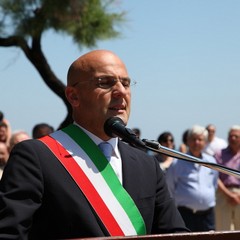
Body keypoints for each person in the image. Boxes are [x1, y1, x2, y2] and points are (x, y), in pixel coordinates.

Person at [0, 50, 188, 239]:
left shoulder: (146, 164)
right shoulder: (36, 157)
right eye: (105, 83)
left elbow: (174, 233)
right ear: (73, 96)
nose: (121, 91)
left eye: (126, 83)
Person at [166, 125, 218, 232]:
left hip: (207, 215)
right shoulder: (177, 163)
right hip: (186, 215)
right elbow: (169, 187)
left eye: (200, 139)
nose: (197, 142)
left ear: (205, 142)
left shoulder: (211, 162)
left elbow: (214, 184)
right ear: (188, 141)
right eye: (193, 139)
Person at [214, 125, 240, 231]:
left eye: (236, 136)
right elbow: (214, 177)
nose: (232, 138)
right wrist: (229, 195)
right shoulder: (219, 154)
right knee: (222, 230)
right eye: (230, 136)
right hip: (223, 194)